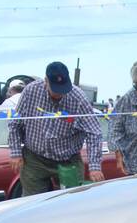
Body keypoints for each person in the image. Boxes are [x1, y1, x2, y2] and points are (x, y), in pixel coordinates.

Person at [7, 61, 105, 195]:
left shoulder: (78, 98)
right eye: (56, 89)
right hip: (34, 160)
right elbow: (15, 122)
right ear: (46, 81)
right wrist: (15, 152)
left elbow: (94, 132)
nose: (60, 93)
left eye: (63, 89)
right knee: (32, 203)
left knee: (71, 202)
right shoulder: (30, 91)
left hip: (68, 159)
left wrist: (94, 167)